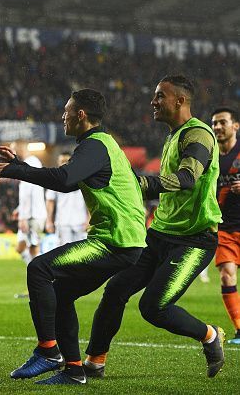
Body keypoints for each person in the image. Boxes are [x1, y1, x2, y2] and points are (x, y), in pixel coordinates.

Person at [0, 88, 146, 385]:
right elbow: (70, 181)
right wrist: (21, 166)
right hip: (122, 240)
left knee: (38, 269)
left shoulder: (95, 145)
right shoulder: (102, 145)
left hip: (114, 241)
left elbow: (63, 181)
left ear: (81, 115)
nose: (63, 117)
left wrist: (16, 171)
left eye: (66, 112)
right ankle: (74, 371)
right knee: (60, 294)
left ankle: (48, 351)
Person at [84, 75, 225, 379]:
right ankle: (95, 360)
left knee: (154, 307)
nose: (154, 101)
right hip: (160, 234)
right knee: (116, 289)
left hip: (194, 240)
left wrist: (142, 183)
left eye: (161, 96)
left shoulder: (199, 134)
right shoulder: (173, 136)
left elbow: (188, 178)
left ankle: (210, 335)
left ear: (180, 101)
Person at [212, 107, 240, 344]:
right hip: (225, 229)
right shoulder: (211, 158)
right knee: (227, 276)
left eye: (223, 122)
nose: (218, 127)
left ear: (235, 126)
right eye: (214, 123)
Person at [12, 143, 46, 265]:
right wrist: (19, 209)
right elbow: (29, 193)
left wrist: (23, 218)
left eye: (14, 150)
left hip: (33, 216)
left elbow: (29, 193)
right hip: (31, 214)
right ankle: (36, 270)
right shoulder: (32, 163)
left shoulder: (30, 164)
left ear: (20, 149)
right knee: (21, 247)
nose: (13, 155)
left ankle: (43, 273)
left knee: (33, 247)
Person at [45, 152, 89, 246]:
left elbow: (89, 200)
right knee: (64, 254)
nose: (63, 164)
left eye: (66, 161)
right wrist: (49, 221)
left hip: (80, 223)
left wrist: (89, 219)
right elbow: (50, 201)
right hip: (62, 223)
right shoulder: (54, 179)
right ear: (58, 162)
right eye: (61, 161)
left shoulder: (82, 178)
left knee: (80, 254)